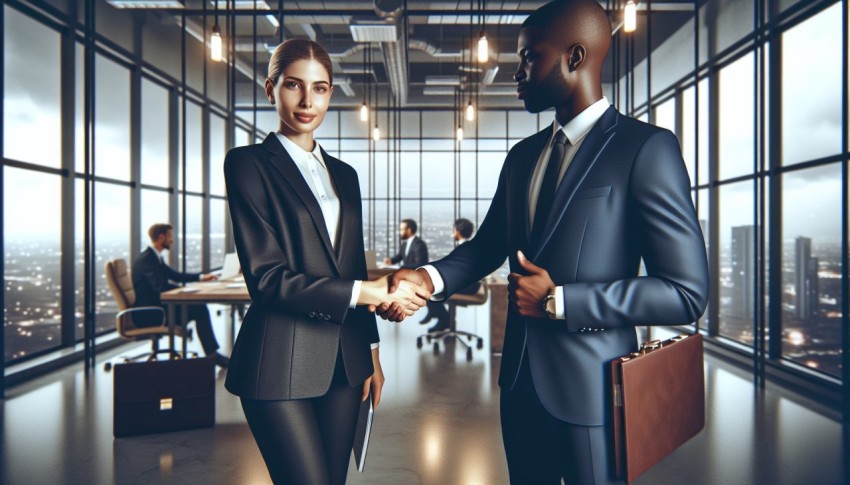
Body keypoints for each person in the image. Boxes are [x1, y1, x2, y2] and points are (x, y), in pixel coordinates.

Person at [376, 1, 709, 483]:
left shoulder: (644, 149)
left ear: (575, 57)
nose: (517, 72)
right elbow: (487, 246)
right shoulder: (522, 156)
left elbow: (685, 292)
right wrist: (427, 279)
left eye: (529, 57)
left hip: (593, 391)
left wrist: (561, 301)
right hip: (519, 386)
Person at [223, 39, 428, 485]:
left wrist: (371, 352)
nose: (307, 101)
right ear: (270, 89)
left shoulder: (346, 176)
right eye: (293, 85)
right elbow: (267, 278)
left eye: (319, 88)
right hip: (278, 358)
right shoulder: (247, 165)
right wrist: (366, 291)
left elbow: (351, 266)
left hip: (346, 359)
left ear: (330, 94)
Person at [132, 223, 230, 368]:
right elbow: (160, 287)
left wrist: (201, 277)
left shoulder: (154, 257)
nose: (172, 240)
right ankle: (212, 355)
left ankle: (212, 354)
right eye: (170, 236)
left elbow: (175, 275)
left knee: (199, 307)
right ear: (161, 237)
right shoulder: (147, 259)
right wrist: (186, 291)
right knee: (199, 308)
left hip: (158, 308)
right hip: (151, 313)